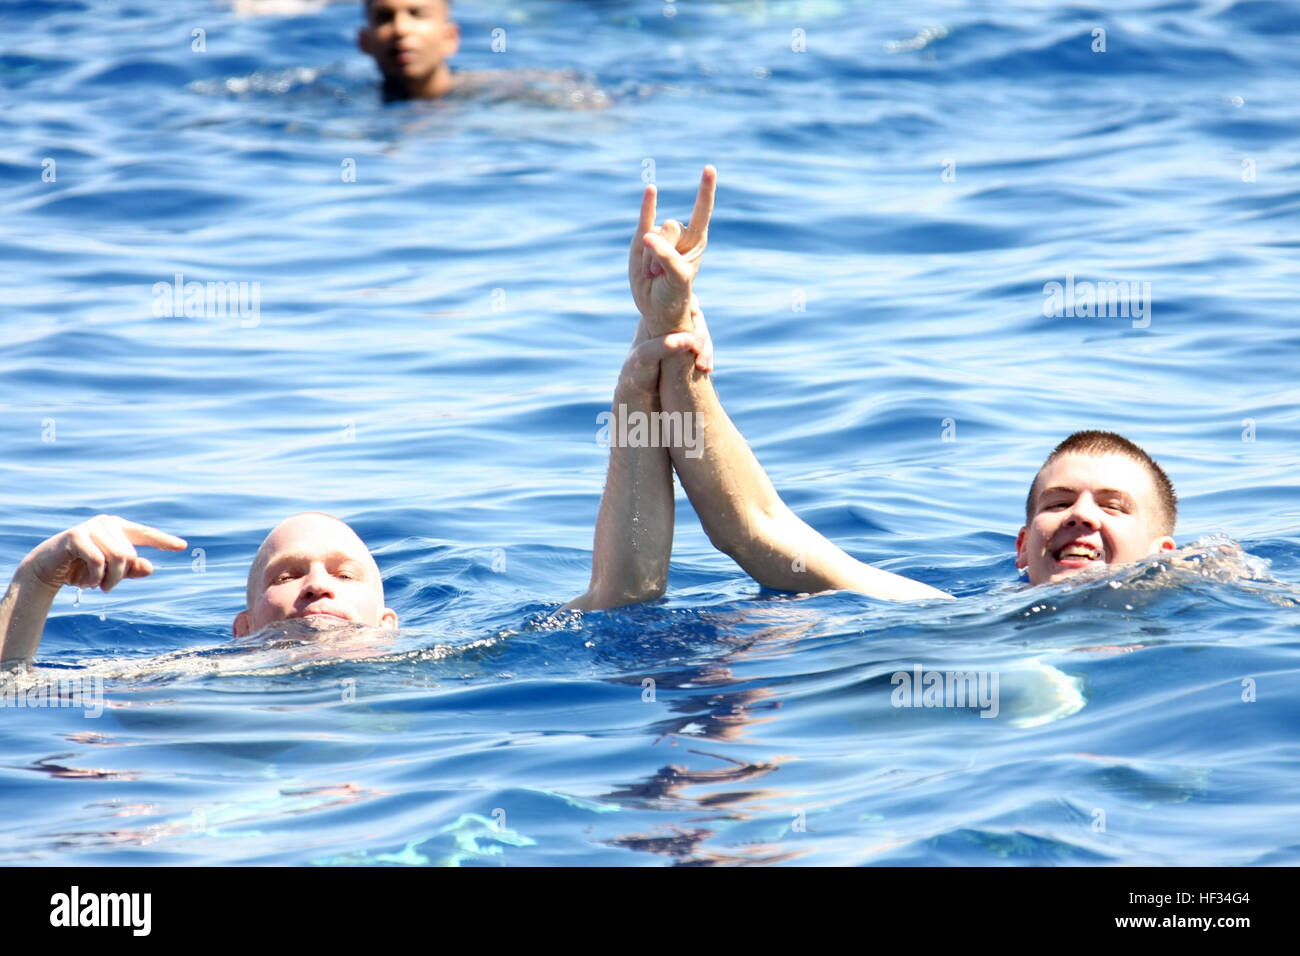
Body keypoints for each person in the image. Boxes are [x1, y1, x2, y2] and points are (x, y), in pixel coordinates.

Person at [624, 167, 1179, 601]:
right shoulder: (952, 619)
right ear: (1021, 547)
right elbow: (755, 528)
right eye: (1058, 502)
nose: (1081, 514)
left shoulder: (1218, 611)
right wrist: (674, 333)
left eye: (1114, 505)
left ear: (1165, 554)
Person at [358, 0, 461, 101]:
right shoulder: (354, 100)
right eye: (385, 17)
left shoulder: (474, 99)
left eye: (417, 14)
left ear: (450, 37)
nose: (400, 29)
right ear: (365, 41)